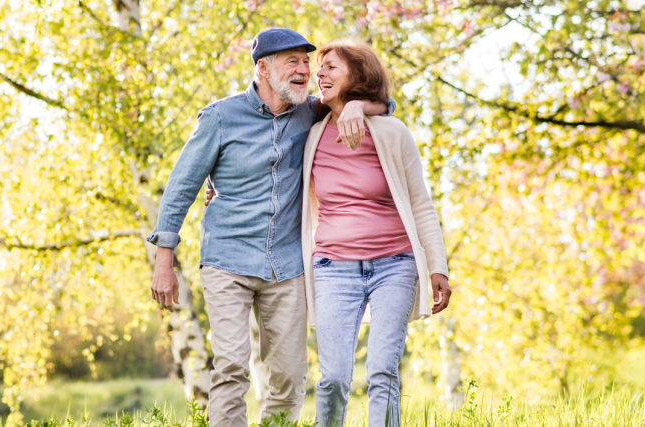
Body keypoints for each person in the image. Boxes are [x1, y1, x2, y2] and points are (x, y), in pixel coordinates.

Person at [147, 28, 393, 427]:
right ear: (263, 68)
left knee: (290, 376)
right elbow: (180, 190)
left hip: (287, 264)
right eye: (292, 61)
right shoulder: (220, 117)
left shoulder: (310, 111)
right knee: (230, 367)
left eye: (305, 62)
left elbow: (387, 103)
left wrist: (355, 108)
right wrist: (164, 261)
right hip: (227, 258)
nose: (304, 71)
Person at [299, 39, 452, 427]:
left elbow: (420, 203)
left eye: (331, 67)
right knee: (333, 378)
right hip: (333, 268)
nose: (320, 73)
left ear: (358, 75)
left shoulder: (392, 132)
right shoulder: (311, 132)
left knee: (383, 372)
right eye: (321, 68)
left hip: (395, 266)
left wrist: (438, 267)